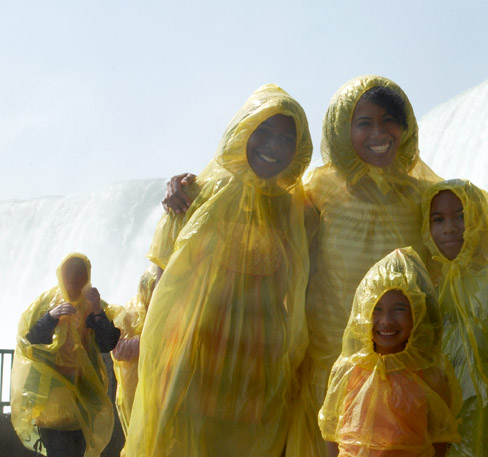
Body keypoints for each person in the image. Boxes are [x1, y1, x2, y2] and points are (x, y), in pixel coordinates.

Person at [160, 76, 442, 453]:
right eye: (363, 123)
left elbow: (460, 250)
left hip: (402, 369)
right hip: (326, 369)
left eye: (390, 120)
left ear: (406, 127)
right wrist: (185, 193)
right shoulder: (318, 189)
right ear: (343, 127)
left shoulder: (426, 197)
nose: (379, 133)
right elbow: (262, 215)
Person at [124, 84, 314, 457]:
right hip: (193, 365)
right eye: (264, 130)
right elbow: (163, 287)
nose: (274, 145)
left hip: (257, 372)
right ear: (242, 129)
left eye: (287, 137)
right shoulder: (197, 193)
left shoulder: (298, 210)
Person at [319, 247, 460, 457]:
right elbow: (331, 430)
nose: (386, 321)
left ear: (418, 311)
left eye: (399, 309)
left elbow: (439, 435)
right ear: (363, 311)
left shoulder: (430, 373)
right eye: (376, 309)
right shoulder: (349, 368)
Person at [421, 179, 488, 457]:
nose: (450, 228)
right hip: (449, 422)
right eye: (438, 219)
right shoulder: (428, 290)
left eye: (461, 216)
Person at [11, 252, 120, 457]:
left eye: (80, 275)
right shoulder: (47, 303)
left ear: (87, 277)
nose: (75, 280)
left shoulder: (92, 304)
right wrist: (51, 317)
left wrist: (97, 312)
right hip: (51, 405)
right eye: (70, 274)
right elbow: (30, 340)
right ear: (62, 275)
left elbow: (108, 343)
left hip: (81, 403)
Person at [109, 265, 158, 455]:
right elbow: (118, 350)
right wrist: (147, 341)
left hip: (159, 390)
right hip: (135, 391)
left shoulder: (169, 313)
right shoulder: (128, 314)